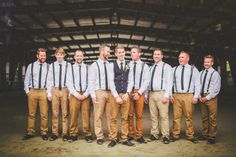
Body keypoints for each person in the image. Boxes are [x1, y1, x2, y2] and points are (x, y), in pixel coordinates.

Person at [141, 49, 172, 144]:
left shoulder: (167, 67)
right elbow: (147, 82)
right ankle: (154, 133)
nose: (156, 56)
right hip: (151, 93)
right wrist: (146, 95)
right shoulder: (150, 68)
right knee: (153, 116)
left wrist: (166, 95)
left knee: (163, 116)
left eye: (158, 54)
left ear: (162, 56)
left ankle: (165, 135)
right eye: (155, 54)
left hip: (161, 93)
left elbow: (170, 82)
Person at [108, 45, 135, 148]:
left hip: (125, 95)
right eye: (119, 52)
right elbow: (111, 82)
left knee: (125, 118)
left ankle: (124, 138)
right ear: (115, 54)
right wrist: (116, 96)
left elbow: (131, 80)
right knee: (113, 118)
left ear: (125, 53)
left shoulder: (128, 65)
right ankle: (113, 139)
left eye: (122, 52)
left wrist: (127, 93)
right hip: (115, 95)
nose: (121, 54)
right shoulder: (111, 65)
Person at [170, 51, 200, 143]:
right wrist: (171, 94)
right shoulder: (174, 69)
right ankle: (175, 134)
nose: (180, 59)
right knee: (176, 116)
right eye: (179, 57)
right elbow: (170, 83)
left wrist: (195, 96)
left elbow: (197, 84)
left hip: (188, 96)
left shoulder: (193, 69)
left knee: (188, 116)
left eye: (182, 57)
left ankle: (190, 135)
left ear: (188, 58)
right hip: (176, 95)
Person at [66, 50, 93, 143]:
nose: (79, 57)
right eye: (77, 56)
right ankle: (73, 134)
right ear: (74, 57)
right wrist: (77, 94)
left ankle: (87, 134)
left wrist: (86, 94)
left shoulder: (88, 68)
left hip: (86, 94)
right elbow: (68, 83)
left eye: (80, 56)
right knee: (73, 114)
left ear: (83, 57)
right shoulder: (71, 68)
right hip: (75, 94)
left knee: (86, 114)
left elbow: (91, 82)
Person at [23, 48, 49, 141]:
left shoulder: (48, 66)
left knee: (44, 114)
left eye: (44, 55)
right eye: (41, 55)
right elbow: (26, 79)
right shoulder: (31, 66)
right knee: (31, 113)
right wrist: (27, 91)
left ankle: (44, 132)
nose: (43, 57)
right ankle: (30, 132)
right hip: (33, 91)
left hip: (43, 91)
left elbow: (50, 81)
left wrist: (48, 92)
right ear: (37, 56)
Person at [89, 44, 112, 145]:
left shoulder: (110, 64)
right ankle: (99, 136)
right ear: (102, 51)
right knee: (98, 115)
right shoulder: (94, 65)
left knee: (111, 115)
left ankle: (112, 136)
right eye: (107, 51)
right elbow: (91, 81)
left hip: (110, 92)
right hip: (99, 92)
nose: (109, 53)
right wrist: (93, 95)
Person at [47, 47, 71, 141]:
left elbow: (70, 79)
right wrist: (49, 92)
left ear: (64, 55)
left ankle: (65, 133)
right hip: (55, 89)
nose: (60, 56)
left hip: (65, 89)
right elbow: (49, 80)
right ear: (55, 55)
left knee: (65, 112)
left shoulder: (68, 65)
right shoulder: (52, 66)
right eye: (58, 54)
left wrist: (69, 92)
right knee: (55, 112)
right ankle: (55, 133)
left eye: (61, 54)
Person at [127, 46, 149, 143]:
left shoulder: (145, 66)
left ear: (140, 54)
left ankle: (139, 135)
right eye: (131, 52)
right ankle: (130, 134)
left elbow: (146, 81)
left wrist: (139, 93)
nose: (132, 54)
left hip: (139, 91)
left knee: (139, 115)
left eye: (134, 52)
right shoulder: (128, 65)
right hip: (129, 90)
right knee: (130, 114)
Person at [197, 54, 221, 144]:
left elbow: (216, 89)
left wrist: (206, 98)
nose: (206, 63)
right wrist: (199, 96)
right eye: (205, 62)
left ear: (212, 63)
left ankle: (212, 136)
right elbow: (198, 85)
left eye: (208, 62)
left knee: (212, 118)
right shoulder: (201, 73)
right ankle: (204, 134)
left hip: (211, 97)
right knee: (204, 117)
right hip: (202, 96)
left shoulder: (215, 74)